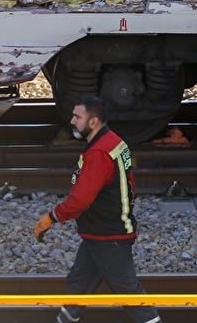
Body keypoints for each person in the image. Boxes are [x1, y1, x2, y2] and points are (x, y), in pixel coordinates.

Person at [33, 95, 162, 323]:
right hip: (99, 232)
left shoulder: (99, 153)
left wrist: (50, 218)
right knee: (78, 284)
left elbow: (80, 201)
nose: (72, 121)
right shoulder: (112, 141)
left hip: (108, 235)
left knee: (128, 293)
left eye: (77, 117)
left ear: (93, 122)